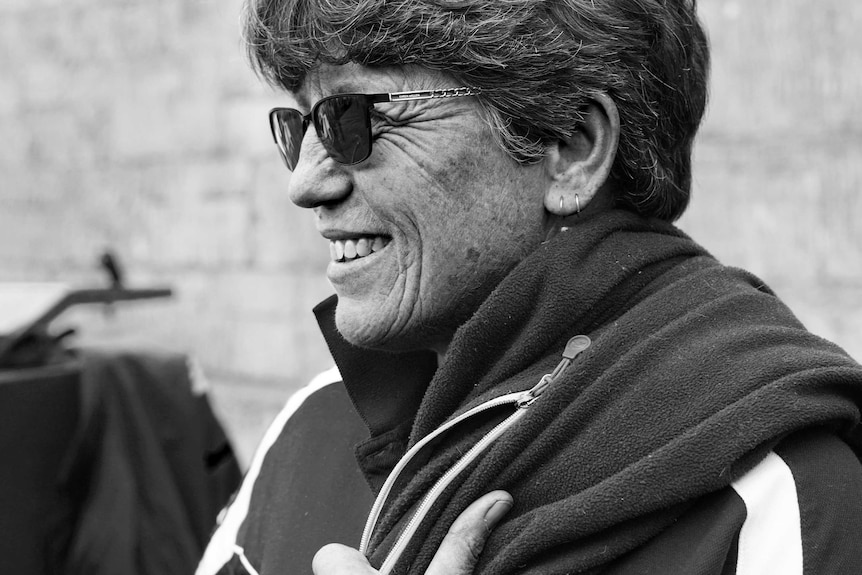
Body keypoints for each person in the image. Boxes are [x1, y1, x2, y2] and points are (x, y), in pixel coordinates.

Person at [198, 1, 862, 573]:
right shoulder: (309, 425)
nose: (306, 183)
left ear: (572, 147)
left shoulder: (785, 502)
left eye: (352, 119)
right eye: (299, 126)